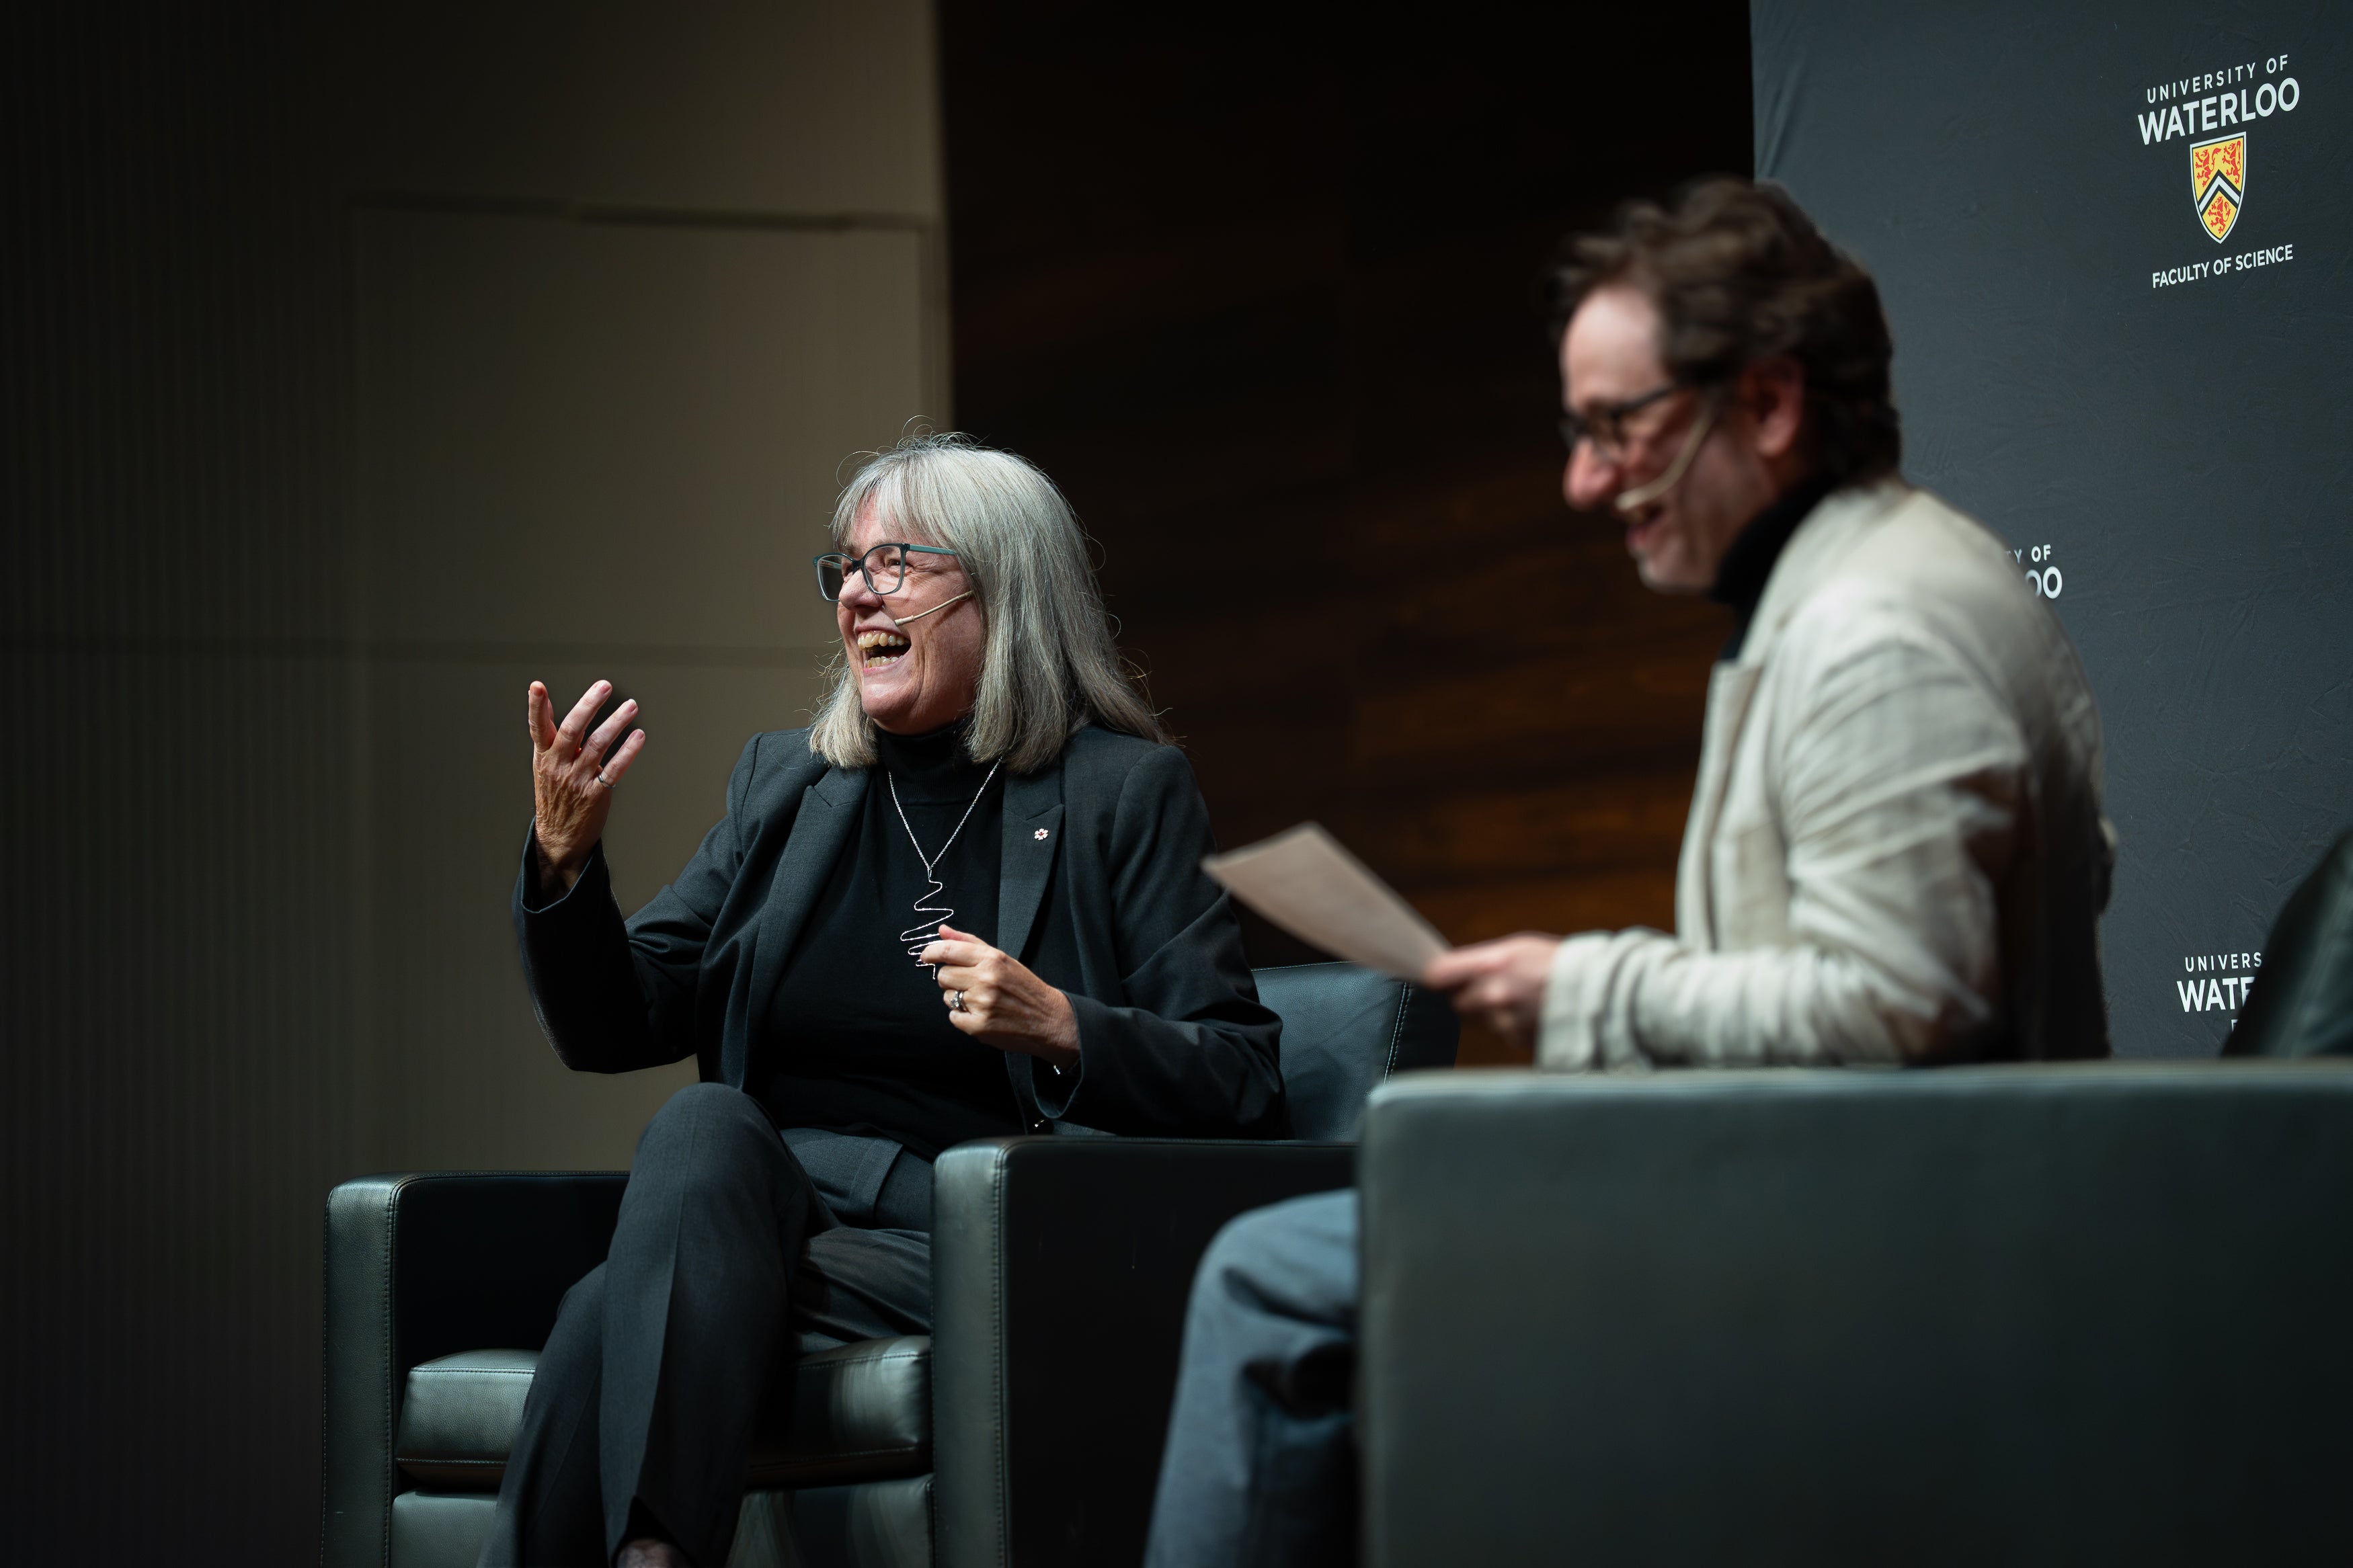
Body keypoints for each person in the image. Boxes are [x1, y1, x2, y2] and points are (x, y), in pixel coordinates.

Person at [1142, 178, 2114, 1566]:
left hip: (1888, 1253)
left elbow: (1905, 1007)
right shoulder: (1877, 579)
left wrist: (1588, 985)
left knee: (1269, 1279)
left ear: (1768, 404)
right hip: (1858, 1202)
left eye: (1618, 427)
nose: (1583, 481)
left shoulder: (1873, 630)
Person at [485, 432, 1287, 1568]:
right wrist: (564, 872)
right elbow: (617, 1022)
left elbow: (1244, 1073)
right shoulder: (791, 787)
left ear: (1004, 591)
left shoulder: (1119, 794)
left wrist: (1061, 1024)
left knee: (609, 1310)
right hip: (766, 1204)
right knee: (706, 1124)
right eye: (846, 567)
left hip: (968, 1226)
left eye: (897, 561)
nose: (858, 588)